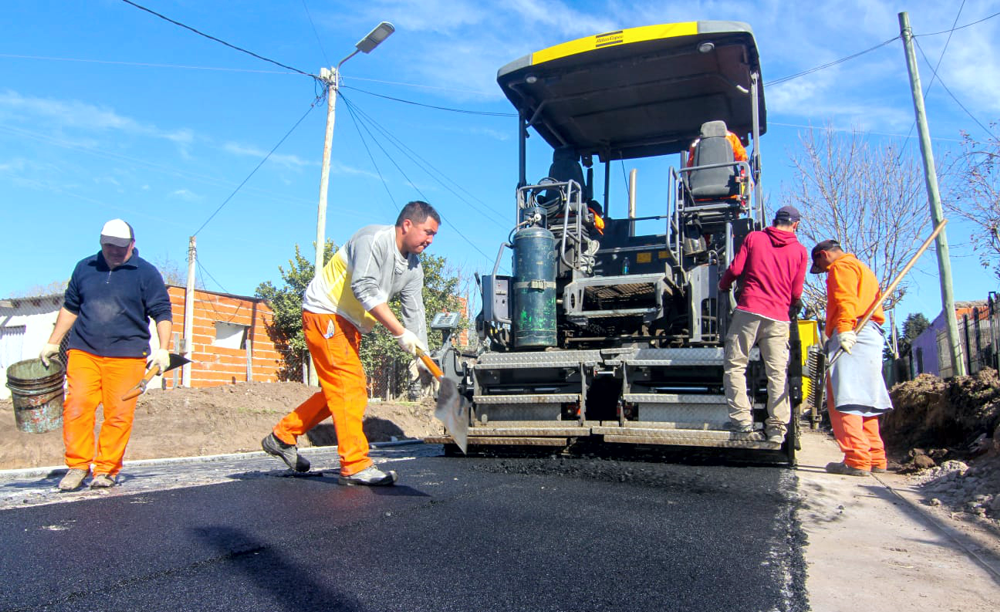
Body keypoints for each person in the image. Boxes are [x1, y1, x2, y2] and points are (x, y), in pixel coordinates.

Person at [262, 201, 439, 486]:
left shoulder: (413, 268)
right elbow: (364, 287)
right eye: (427, 232)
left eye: (434, 236)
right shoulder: (371, 239)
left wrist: (423, 356)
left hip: (350, 324)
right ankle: (354, 464)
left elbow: (415, 312)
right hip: (325, 311)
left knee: (338, 391)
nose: (430, 240)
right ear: (407, 224)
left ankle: (282, 436)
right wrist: (399, 333)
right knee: (350, 387)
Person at [39, 219, 173, 491]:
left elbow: (162, 312)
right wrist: (52, 343)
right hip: (84, 351)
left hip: (128, 355)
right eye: (109, 245)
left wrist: (163, 349)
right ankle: (78, 466)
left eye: (120, 246)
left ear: (132, 244)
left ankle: (107, 470)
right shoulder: (85, 268)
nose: (114, 250)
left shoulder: (146, 273)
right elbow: (70, 307)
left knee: (119, 413)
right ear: (101, 243)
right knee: (76, 407)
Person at [718, 206, 808, 444]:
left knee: (736, 365)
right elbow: (796, 291)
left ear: (775, 220)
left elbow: (735, 269)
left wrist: (723, 286)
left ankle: (742, 422)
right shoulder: (800, 251)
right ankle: (777, 428)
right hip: (778, 317)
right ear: (796, 225)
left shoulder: (754, 238)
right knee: (777, 373)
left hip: (749, 311)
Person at [810, 240, 892, 477]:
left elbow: (845, 299)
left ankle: (856, 459)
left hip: (853, 333)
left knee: (844, 398)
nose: (825, 272)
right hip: (871, 335)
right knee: (864, 400)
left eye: (821, 266)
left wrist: (844, 329)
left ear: (824, 255)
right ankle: (876, 457)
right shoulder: (863, 268)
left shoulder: (841, 267)